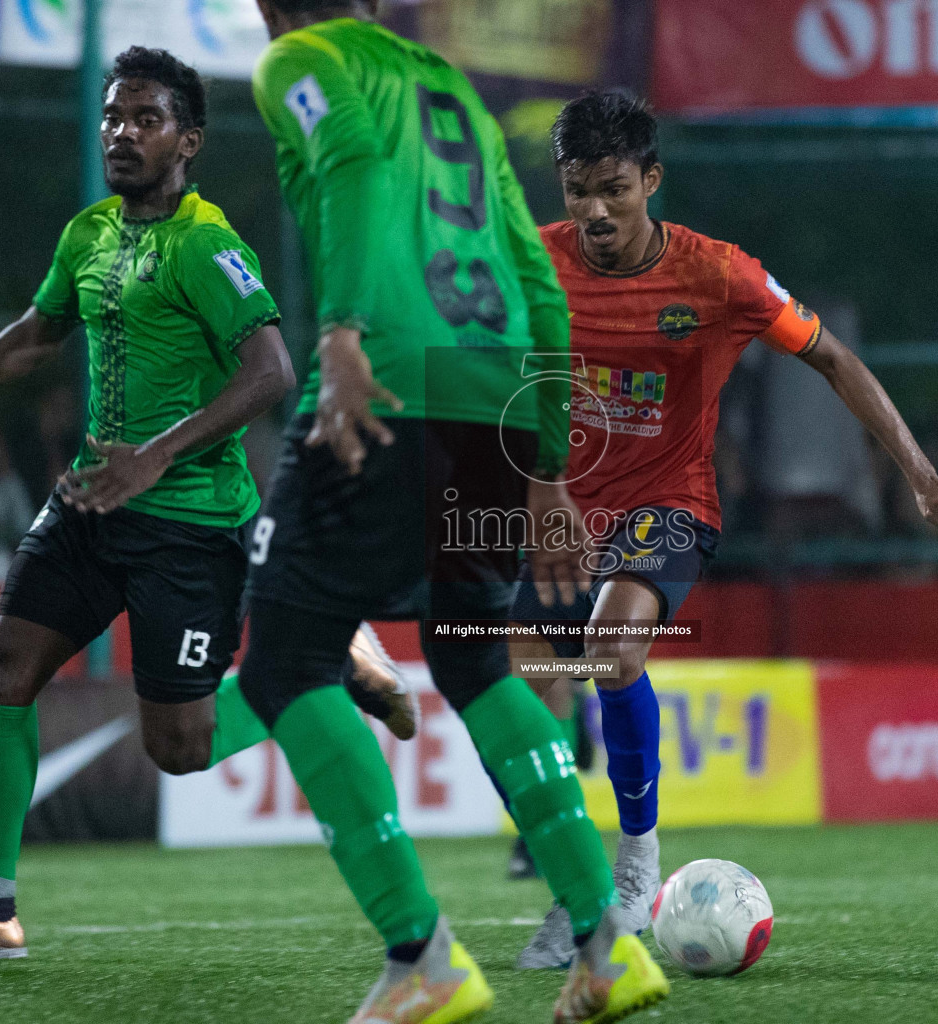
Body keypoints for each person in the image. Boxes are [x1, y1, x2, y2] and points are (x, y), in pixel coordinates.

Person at [0, 47, 397, 963]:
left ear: (188, 139)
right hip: (88, 507)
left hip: (188, 522)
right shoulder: (91, 233)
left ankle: (326, 664)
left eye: (145, 119)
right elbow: (32, 340)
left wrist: (153, 456)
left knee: (178, 748)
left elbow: (272, 372)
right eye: (113, 117)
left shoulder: (208, 243)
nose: (121, 133)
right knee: (1, 671)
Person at [242, 4, 668, 1022]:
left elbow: (346, 157)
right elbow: (537, 280)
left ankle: (420, 954)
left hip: (388, 378)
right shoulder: (450, 90)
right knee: (474, 658)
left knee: (285, 661)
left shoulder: (301, 58)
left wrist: (341, 327)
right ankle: (606, 947)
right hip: (489, 396)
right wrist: (550, 463)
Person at [506, 91, 938, 968]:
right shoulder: (532, 264)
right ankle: (575, 889)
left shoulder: (719, 276)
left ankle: (635, 868)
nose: (596, 211)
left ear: (651, 178)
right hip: (560, 507)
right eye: (578, 191)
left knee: (613, 651)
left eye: (614, 188)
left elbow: (833, 357)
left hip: (669, 502)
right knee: (511, 693)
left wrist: (922, 477)